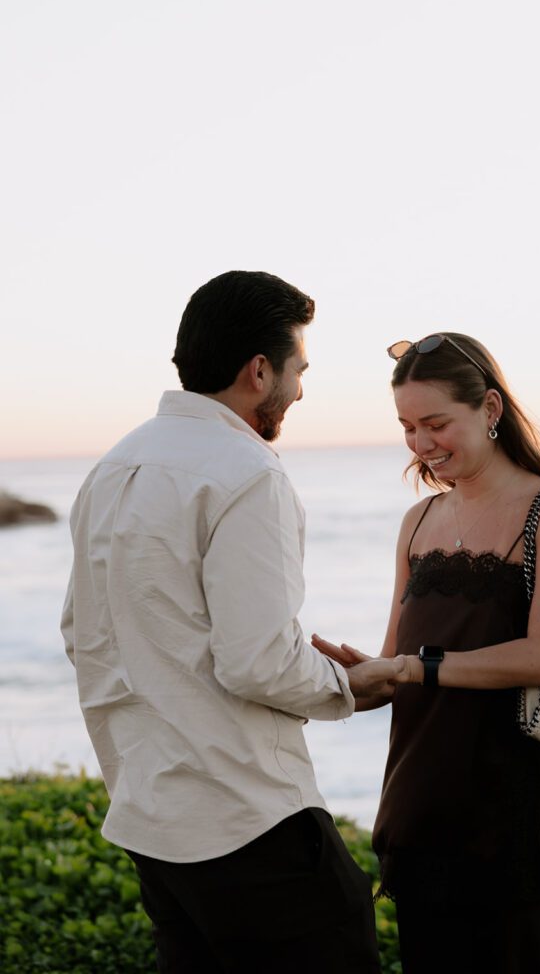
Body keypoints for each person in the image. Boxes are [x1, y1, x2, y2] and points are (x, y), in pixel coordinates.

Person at [60, 270, 408, 974]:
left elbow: (81, 632)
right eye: (297, 369)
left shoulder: (112, 465)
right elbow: (257, 661)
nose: (300, 389)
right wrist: (351, 686)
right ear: (258, 371)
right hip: (245, 818)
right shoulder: (247, 471)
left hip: (150, 822)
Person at [313, 331, 540, 974]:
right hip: (420, 812)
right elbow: (392, 671)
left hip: (517, 820)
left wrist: (417, 666)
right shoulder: (417, 523)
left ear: (490, 409)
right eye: (408, 428)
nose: (420, 445)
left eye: (436, 423)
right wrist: (344, 677)